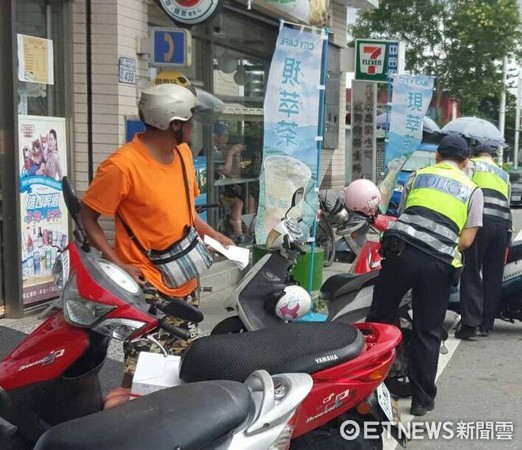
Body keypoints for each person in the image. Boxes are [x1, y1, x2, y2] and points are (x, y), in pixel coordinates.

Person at [80, 83, 234, 387]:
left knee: (179, 361)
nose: (193, 128)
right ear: (173, 124)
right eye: (189, 122)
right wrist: (118, 265)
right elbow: (88, 216)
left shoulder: (184, 154)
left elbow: (186, 211)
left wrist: (213, 234)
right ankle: (130, 424)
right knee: (142, 367)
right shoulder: (122, 166)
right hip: (147, 284)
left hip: (185, 279)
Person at [366, 135, 483, 416]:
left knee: (379, 319)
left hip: (400, 253)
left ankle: (367, 388)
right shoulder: (472, 190)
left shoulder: (417, 177)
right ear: (466, 162)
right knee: (427, 330)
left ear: (437, 157)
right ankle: (421, 399)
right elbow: (466, 241)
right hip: (437, 264)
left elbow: (405, 215)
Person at [457, 144, 512, 339]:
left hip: (480, 222)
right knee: (493, 275)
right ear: (492, 156)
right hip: (502, 225)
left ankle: (471, 323)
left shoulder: (472, 165)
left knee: (471, 270)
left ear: (475, 153)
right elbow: (508, 202)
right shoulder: (503, 174)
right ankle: (486, 325)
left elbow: (464, 189)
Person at [214, 121, 255, 244]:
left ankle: (249, 230)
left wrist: (236, 155)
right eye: (224, 135)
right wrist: (231, 153)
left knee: (250, 199)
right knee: (238, 203)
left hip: (225, 189)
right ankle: (239, 234)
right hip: (215, 192)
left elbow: (235, 173)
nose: (226, 138)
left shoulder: (221, 151)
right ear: (216, 136)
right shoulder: (212, 151)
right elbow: (225, 170)